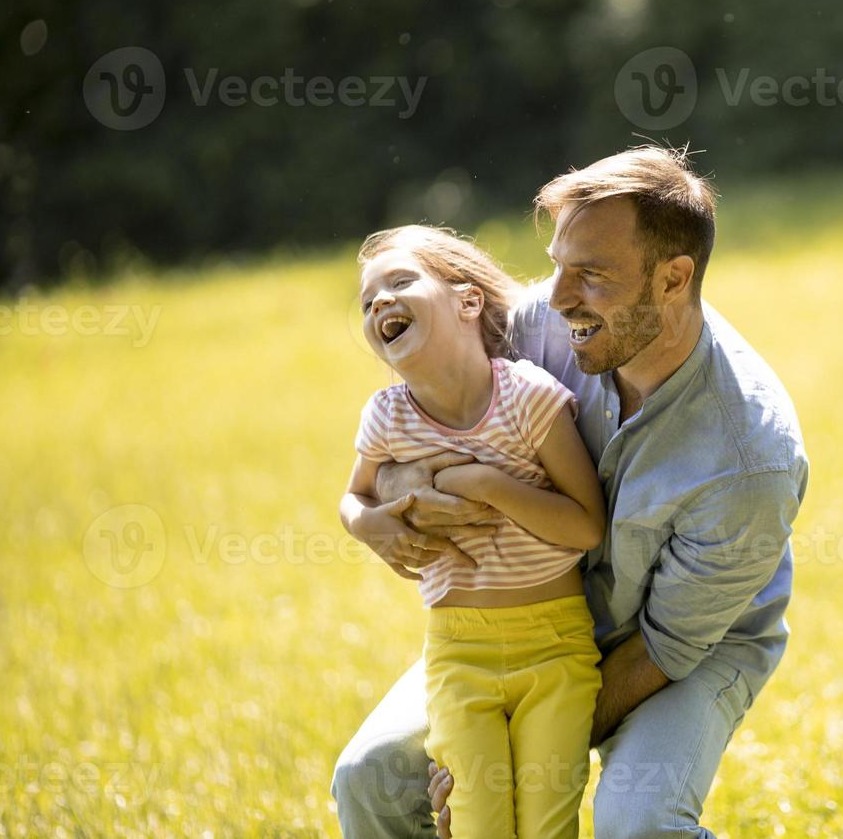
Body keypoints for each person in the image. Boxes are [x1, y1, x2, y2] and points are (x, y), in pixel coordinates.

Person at [332, 146, 809, 839]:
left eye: (590, 274)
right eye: (558, 264)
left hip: (680, 650)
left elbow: (665, 648)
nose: (556, 297)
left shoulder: (748, 463)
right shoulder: (541, 327)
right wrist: (394, 496)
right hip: (526, 621)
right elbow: (436, 416)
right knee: (371, 777)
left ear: (674, 279)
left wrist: (507, 756)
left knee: (636, 825)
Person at [340, 224, 607, 838]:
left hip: (556, 648)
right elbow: (351, 497)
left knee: (546, 828)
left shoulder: (529, 398)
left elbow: (586, 525)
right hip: (458, 653)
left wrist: (486, 484)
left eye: (401, 282)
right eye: (367, 300)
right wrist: (369, 525)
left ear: (467, 302)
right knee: (477, 825)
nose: (380, 301)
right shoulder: (386, 417)